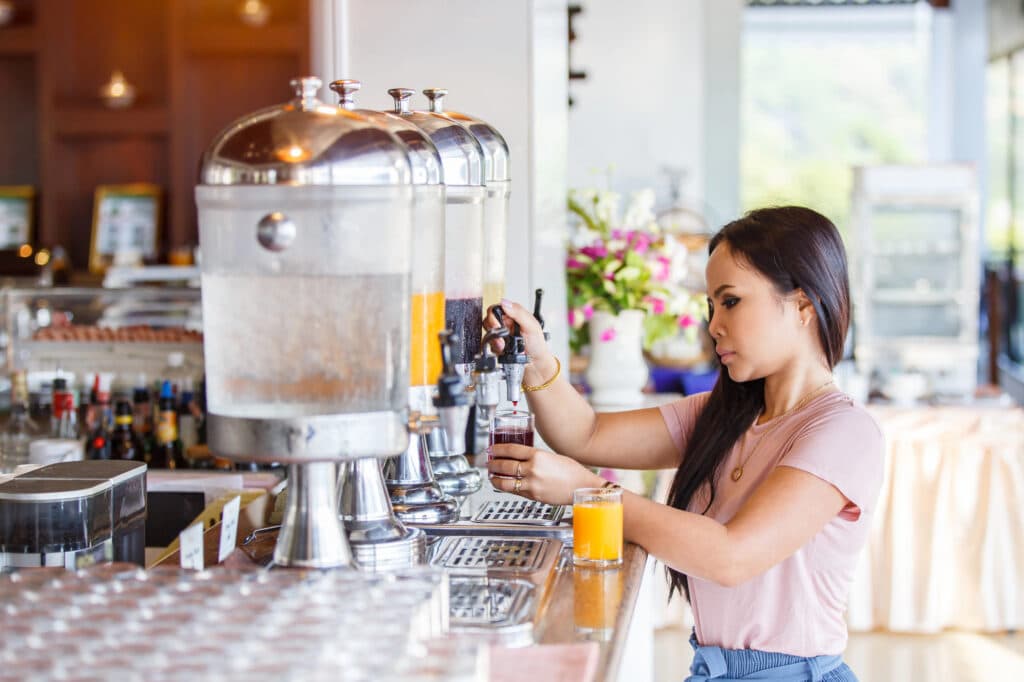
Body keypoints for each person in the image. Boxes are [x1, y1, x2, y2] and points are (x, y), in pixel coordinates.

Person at [485, 206, 883, 682]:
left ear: (802, 305)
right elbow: (584, 434)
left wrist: (587, 494)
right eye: (710, 306)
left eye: (730, 301)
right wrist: (535, 358)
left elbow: (731, 556)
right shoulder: (722, 416)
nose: (713, 325)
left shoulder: (843, 431)